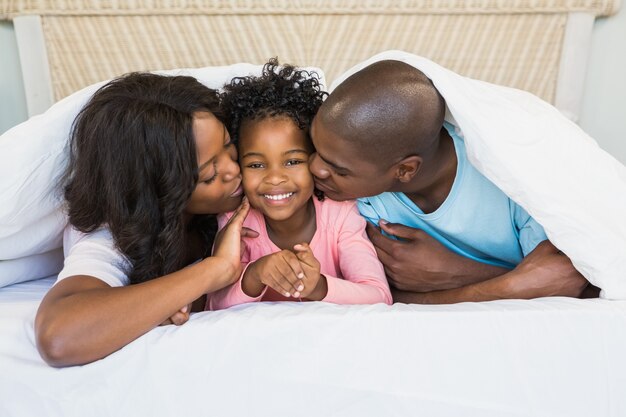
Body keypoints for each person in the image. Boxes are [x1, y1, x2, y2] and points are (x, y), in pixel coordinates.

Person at [308, 59, 591, 304]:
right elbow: (384, 295)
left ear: (405, 170)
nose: (314, 168)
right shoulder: (361, 198)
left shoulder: (508, 175)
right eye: (315, 150)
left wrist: (457, 271)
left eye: (338, 169)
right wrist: (515, 285)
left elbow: (572, 281)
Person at [35, 72, 257, 367]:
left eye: (228, 146)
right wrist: (212, 271)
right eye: (209, 175)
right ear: (160, 189)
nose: (233, 170)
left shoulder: (233, 188)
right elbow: (59, 337)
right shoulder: (111, 235)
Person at [205, 59, 391, 310]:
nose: (274, 178)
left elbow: (379, 295)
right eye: (256, 165)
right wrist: (255, 274)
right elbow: (213, 306)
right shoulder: (236, 220)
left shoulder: (341, 214)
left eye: (292, 161)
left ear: (315, 159)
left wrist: (319, 287)